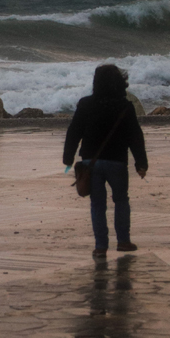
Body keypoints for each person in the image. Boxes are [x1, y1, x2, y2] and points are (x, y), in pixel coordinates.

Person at [64, 64, 148, 259]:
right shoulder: (125, 106)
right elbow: (135, 136)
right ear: (119, 82)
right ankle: (123, 241)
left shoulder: (85, 104)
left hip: (91, 163)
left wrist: (68, 157)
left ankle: (101, 246)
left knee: (97, 204)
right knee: (121, 200)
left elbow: (74, 131)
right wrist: (141, 163)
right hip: (117, 162)